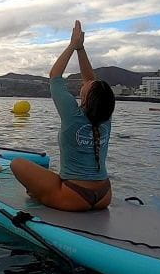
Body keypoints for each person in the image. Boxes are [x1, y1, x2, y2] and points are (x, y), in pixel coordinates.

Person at [10, 20, 115, 211]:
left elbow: (55, 77)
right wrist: (81, 50)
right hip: (104, 195)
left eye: (86, 86)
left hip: (74, 195)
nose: (86, 83)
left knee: (17, 164)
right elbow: (91, 80)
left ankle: (43, 194)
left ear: (87, 99)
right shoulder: (106, 116)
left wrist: (72, 46)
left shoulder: (72, 114)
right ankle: (47, 191)